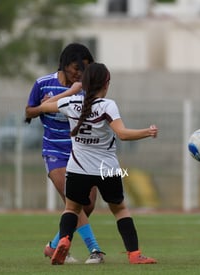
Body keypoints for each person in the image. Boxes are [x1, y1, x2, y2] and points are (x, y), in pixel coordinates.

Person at [37, 62, 158, 265]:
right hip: (107, 169)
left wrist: (60, 96)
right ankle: (135, 255)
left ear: (83, 84)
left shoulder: (71, 103)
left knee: (71, 209)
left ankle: (64, 241)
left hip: (77, 168)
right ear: (106, 83)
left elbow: (42, 107)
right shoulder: (107, 105)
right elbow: (122, 134)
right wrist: (148, 131)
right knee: (119, 209)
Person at [25, 43, 104, 264]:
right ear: (64, 65)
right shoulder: (43, 84)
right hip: (54, 151)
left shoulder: (87, 88)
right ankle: (95, 250)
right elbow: (28, 111)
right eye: (75, 68)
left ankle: (53, 246)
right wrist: (43, 107)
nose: (79, 73)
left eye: (85, 68)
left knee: (86, 205)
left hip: (82, 152)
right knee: (74, 200)